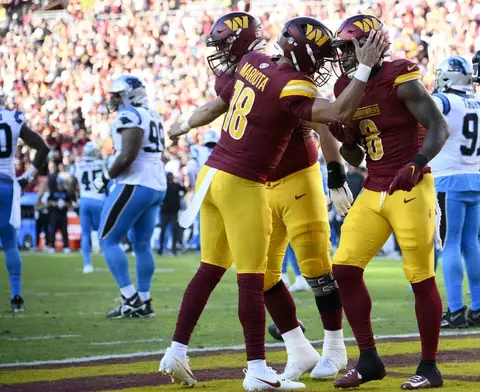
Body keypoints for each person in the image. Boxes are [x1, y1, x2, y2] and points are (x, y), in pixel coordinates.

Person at [163, 14, 386, 391]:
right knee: (254, 278)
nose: (327, 62)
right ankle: (264, 365)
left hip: (230, 174)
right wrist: (364, 67)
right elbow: (333, 114)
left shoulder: (252, 63)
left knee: (299, 266)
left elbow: (316, 126)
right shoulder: (294, 86)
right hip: (248, 183)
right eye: (320, 54)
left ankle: (178, 350)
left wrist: (333, 170)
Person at [327, 14, 449, 390]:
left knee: (419, 277)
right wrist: (344, 136)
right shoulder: (345, 84)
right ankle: (368, 359)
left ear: (372, 45)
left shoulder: (400, 75)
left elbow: (438, 127)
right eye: (341, 48)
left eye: (350, 46)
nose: (344, 55)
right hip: (375, 186)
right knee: (344, 268)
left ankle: (429, 367)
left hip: (410, 187)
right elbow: (355, 156)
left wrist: (416, 163)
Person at [93, 75, 167, 319]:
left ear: (128, 95)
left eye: (116, 95)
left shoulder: (130, 115)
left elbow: (126, 156)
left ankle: (130, 298)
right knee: (142, 244)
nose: (112, 100)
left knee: (107, 239)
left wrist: (104, 177)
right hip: (156, 183)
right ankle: (143, 302)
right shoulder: (152, 115)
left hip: (136, 182)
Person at [429, 55, 480, 329]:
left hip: (447, 180)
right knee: (471, 244)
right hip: (474, 177)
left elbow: (423, 108)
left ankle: (455, 310)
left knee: (450, 244)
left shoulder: (445, 101)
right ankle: (479, 309)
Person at [0, 90, 50, 312]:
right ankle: (16, 297)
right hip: (7, 183)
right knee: (10, 244)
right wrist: (27, 178)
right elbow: (43, 147)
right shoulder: (13, 118)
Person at [69, 142, 106, 273]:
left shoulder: (77, 165)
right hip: (99, 199)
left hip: (84, 200)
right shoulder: (102, 164)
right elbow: (105, 182)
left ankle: (87, 265)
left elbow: (72, 185)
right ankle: (109, 259)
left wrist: (73, 200)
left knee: (85, 233)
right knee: (103, 232)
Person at [45, 161, 72, 254]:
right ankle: (52, 246)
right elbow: (48, 201)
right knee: (53, 231)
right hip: (54, 214)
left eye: (61, 183)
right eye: (59, 183)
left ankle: (66, 247)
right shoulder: (53, 191)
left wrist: (65, 204)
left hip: (63, 214)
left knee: (65, 231)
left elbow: (70, 203)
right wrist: (55, 204)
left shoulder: (65, 192)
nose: (60, 185)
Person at [159, 172, 186, 256]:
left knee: (173, 230)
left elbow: (184, 190)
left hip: (172, 211)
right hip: (166, 211)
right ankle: (161, 249)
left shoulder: (174, 185)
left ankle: (172, 249)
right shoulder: (165, 185)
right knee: (165, 230)